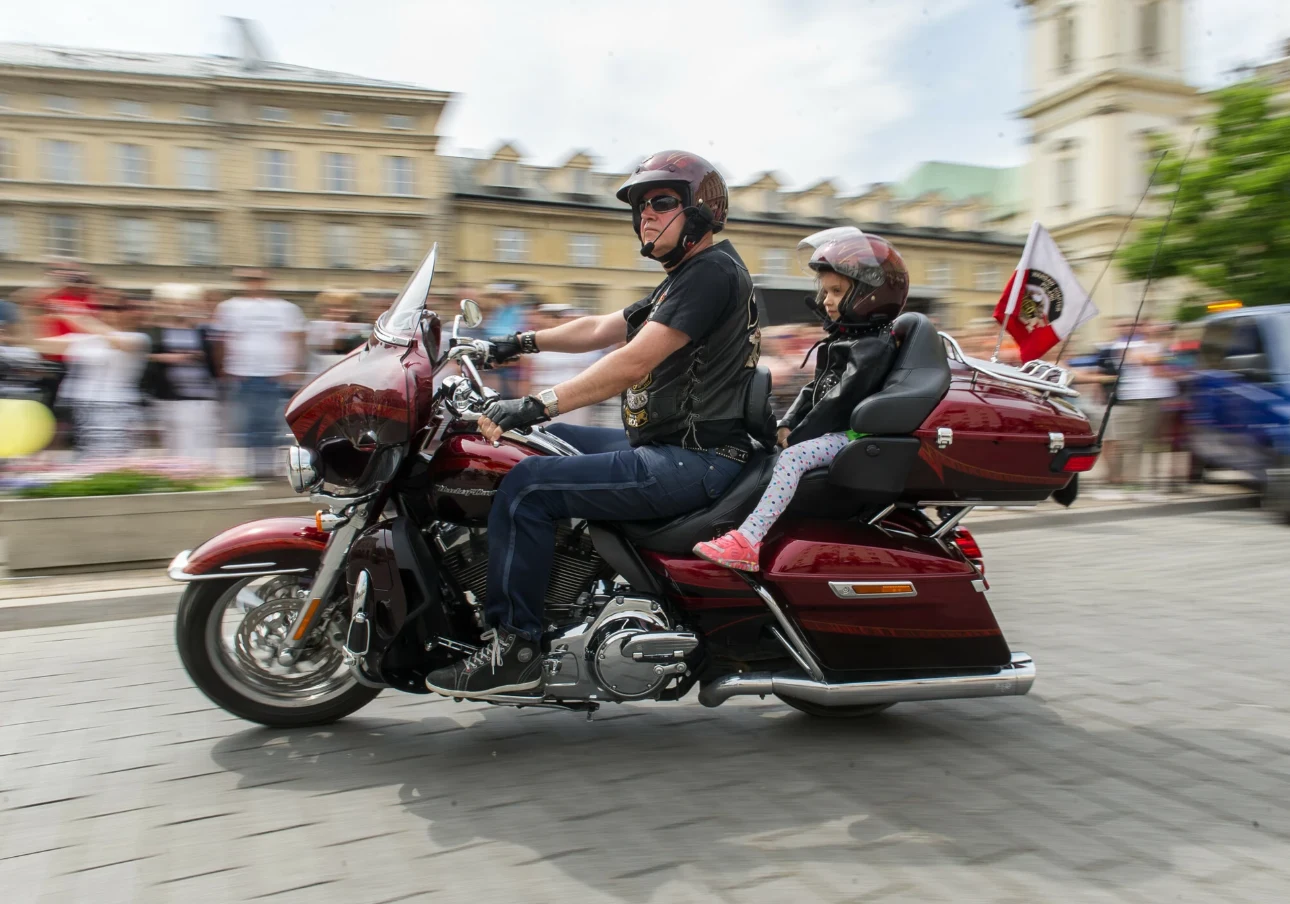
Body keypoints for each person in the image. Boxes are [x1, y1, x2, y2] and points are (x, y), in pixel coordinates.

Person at [425, 150, 761, 698]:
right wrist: (508, 344)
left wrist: (538, 403)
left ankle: (516, 649)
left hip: (694, 459)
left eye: (661, 203)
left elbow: (631, 361)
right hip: (670, 445)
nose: (645, 214)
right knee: (532, 446)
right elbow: (601, 328)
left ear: (700, 211)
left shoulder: (712, 273)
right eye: (640, 206)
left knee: (527, 486)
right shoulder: (684, 278)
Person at [693, 229, 907, 570]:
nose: (826, 300)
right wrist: (787, 422)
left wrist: (800, 435)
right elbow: (813, 389)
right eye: (825, 290)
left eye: (837, 291)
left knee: (792, 458)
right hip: (833, 430)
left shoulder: (872, 346)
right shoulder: (846, 339)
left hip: (854, 434)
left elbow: (840, 399)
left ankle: (748, 541)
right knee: (763, 449)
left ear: (870, 295)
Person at [212, 270, 306, 478]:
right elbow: (222, 339)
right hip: (242, 373)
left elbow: (295, 338)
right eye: (250, 281)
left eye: (259, 280)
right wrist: (224, 367)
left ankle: (266, 466)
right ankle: (251, 466)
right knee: (245, 423)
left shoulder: (284, 308)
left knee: (269, 423)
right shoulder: (230, 307)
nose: (255, 284)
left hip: (274, 373)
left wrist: (293, 368)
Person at [42, 299, 151, 461]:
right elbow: (41, 346)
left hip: (115, 405)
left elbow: (120, 343)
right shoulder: (85, 339)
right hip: (80, 405)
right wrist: (29, 314)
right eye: (104, 309)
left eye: (115, 309)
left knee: (109, 456)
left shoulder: (138, 338)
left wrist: (77, 318)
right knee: (84, 457)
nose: (109, 313)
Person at [146, 284, 220, 466]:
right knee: (176, 442)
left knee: (203, 439)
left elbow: (215, 360)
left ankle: (203, 472)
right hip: (170, 396)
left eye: (187, 305)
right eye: (176, 304)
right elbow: (144, 356)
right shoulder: (157, 332)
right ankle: (181, 473)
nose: (182, 309)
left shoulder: (203, 332)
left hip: (202, 395)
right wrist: (170, 357)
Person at [522, 303, 604, 426]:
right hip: (544, 390)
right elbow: (529, 369)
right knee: (544, 428)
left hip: (573, 391)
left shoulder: (585, 343)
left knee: (571, 428)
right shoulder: (541, 339)